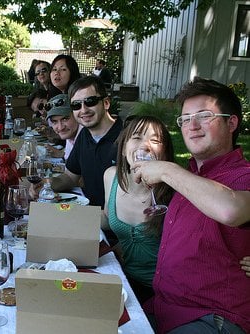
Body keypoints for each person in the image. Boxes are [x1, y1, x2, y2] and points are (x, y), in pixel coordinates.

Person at [135, 77, 250, 333]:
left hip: (212, 318)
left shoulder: (244, 176)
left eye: (204, 115)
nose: (192, 126)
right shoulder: (192, 178)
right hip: (164, 309)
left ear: (231, 122)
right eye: (185, 119)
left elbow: (230, 209)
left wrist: (166, 170)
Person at [102, 115, 175, 304]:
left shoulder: (177, 192)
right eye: (136, 137)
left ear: (165, 154)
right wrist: (65, 216)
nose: (145, 146)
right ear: (124, 147)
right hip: (122, 280)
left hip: (164, 293)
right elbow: (106, 217)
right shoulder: (111, 177)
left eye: (155, 140)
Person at [30, 75, 123, 208]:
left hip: (115, 224)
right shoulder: (84, 134)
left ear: (106, 103)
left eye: (90, 101)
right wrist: (46, 184)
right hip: (88, 213)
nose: (83, 110)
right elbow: (70, 177)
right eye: (76, 105)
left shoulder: (127, 138)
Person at [43, 94, 83, 161]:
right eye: (54, 121)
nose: (60, 127)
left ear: (77, 115)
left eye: (65, 119)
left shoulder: (86, 137)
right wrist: (61, 154)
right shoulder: (71, 135)